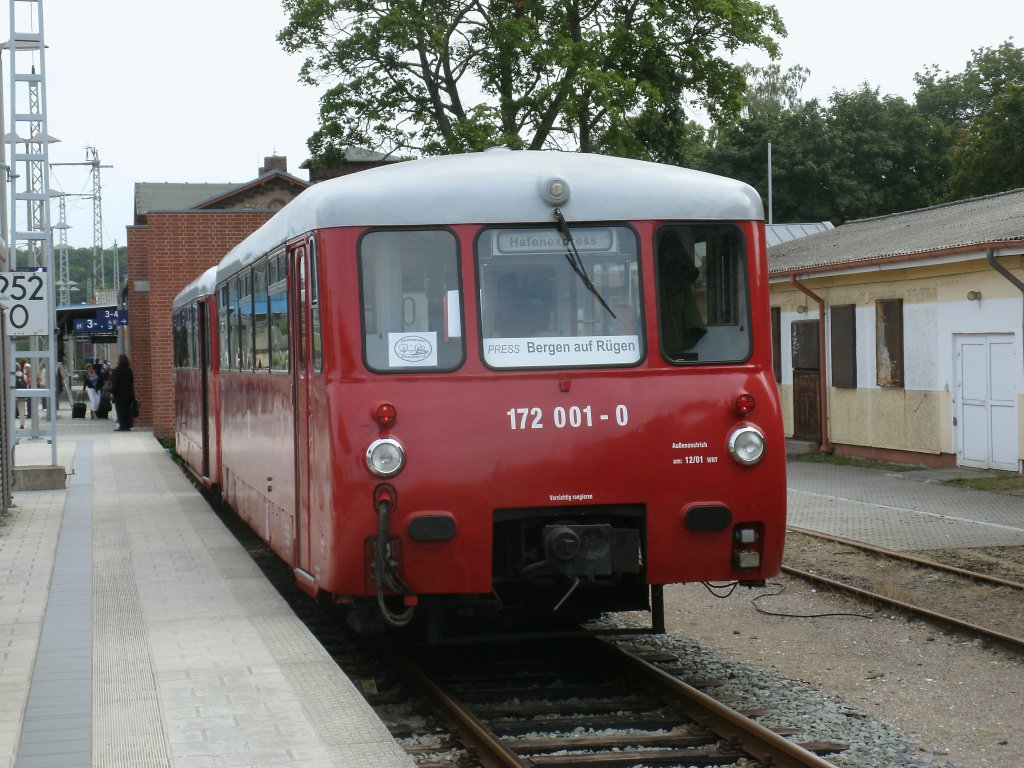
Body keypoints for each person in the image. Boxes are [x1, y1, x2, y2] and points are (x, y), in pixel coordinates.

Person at [110, 354, 136, 432]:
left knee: (120, 410)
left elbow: (115, 383)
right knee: (127, 410)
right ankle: (128, 426)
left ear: (119, 361)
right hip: (129, 394)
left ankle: (122, 426)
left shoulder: (117, 370)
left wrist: (112, 392)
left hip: (119, 395)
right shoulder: (129, 370)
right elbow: (131, 383)